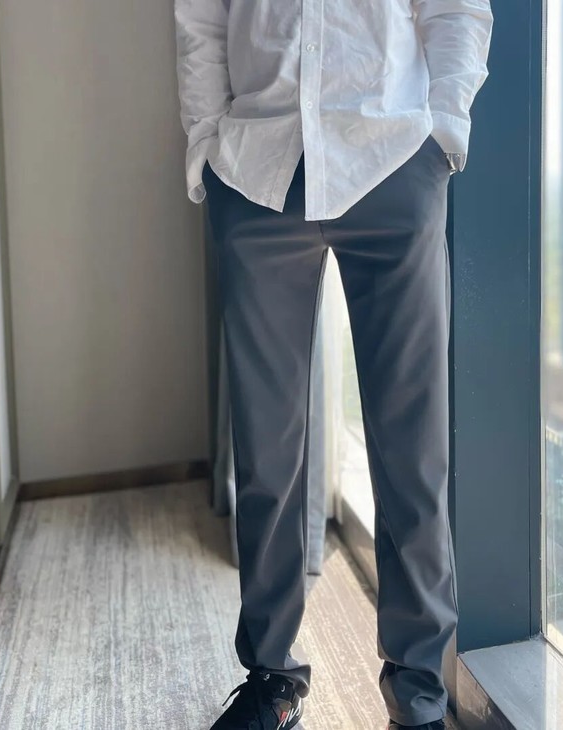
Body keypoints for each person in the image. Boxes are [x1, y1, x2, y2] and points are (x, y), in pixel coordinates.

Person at [174, 1, 493, 728]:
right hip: (256, 167)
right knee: (266, 449)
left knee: (413, 448)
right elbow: (199, 17)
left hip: (389, 152)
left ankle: (418, 691)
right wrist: (205, 145)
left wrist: (444, 130)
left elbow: (455, 8)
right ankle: (271, 677)